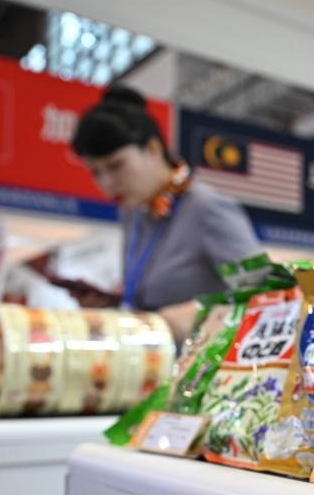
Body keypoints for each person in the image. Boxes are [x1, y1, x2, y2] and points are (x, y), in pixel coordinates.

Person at [70, 86, 261, 340]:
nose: (106, 184)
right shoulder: (135, 215)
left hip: (204, 373)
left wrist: (201, 314)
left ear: (152, 149)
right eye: (95, 172)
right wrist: (113, 303)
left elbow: (269, 293)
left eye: (116, 166)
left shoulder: (206, 208)